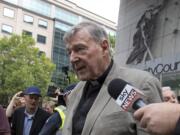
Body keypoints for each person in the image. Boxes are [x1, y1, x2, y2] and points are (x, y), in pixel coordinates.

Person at [62, 21, 162, 135]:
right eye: (69, 52)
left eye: (80, 49)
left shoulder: (142, 83)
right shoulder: (74, 93)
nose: (72, 58)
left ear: (104, 47)